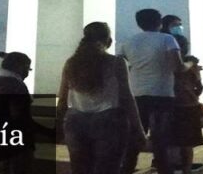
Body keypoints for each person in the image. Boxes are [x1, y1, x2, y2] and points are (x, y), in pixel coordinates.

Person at [58, 22, 147, 174]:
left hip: (75, 121)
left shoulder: (71, 63)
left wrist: (59, 125)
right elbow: (126, 97)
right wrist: (138, 129)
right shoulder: (116, 63)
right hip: (109, 121)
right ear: (109, 41)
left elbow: (62, 98)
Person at [117, 9, 181, 174]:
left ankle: (127, 169)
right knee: (160, 141)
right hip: (162, 93)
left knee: (134, 138)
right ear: (159, 22)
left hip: (136, 93)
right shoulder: (167, 39)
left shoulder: (128, 42)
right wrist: (190, 66)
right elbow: (178, 66)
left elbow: (121, 65)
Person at [0, 51, 49, 173]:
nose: (28, 73)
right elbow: (21, 120)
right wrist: (48, 132)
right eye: (28, 69)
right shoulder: (17, 87)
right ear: (20, 68)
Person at [161, 14, 203, 173]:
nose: (179, 27)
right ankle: (185, 168)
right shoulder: (186, 64)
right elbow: (198, 88)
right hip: (186, 103)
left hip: (165, 99)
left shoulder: (160, 56)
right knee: (186, 140)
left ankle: (167, 165)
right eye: (176, 24)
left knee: (166, 136)